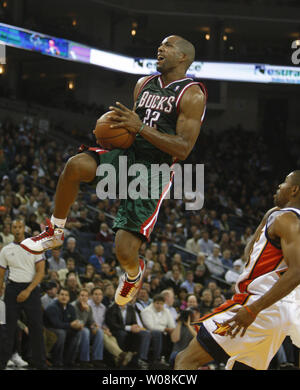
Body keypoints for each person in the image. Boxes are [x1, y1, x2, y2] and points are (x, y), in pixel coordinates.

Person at [20, 35, 207, 306]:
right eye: (160, 43)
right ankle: (55, 231)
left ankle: (134, 273)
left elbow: (183, 148)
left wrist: (139, 127)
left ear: (183, 57)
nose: (160, 47)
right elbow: (129, 128)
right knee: (75, 165)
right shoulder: (143, 84)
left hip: (153, 172)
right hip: (128, 155)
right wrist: (113, 131)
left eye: (168, 46)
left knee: (124, 252)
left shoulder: (192, 94)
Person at [174, 171, 300, 370]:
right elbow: (249, 252)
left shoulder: (289, 221)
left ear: (294, 189)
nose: (278, 187)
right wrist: (264, 223)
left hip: (260, 305)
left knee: (185, 360)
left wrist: (253, 309)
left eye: (284, 183)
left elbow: (297, 272)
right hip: (278, 311)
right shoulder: (279, 216)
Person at [0, 219, 47, 370]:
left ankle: (40, 365)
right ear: (11, 229)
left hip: (31, 289)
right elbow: (1, 275)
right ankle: (2, 363)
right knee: (8, 328)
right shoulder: (5, 250)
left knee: (36, 328)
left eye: (20, 227)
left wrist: (28, 290)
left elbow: (41, 272)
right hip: (12, 289)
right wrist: (1, 288)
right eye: (14, 227)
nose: (18, 229)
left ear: (24, 228)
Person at [88, 287, 134, 368]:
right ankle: (121, 354)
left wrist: (106, 329)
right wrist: (102, 329)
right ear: (91, 296)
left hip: (101, 330)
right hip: (91, 329)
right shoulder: (88, 305)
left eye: (100, 294)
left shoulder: (103, 307)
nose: (98, 296)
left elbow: (104, 323)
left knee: (112, 338)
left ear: (102, 296)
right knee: (103, 335)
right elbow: (89, 321)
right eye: (95, 294)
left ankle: (118, 360)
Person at [105, 302, 152, 369]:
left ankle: (140, 359)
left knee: (144, 334)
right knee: (122, 334)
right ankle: (121, 358)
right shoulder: (112, 308)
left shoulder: (130, 308)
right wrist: (129, 328)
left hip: (130, 330)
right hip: (117, 331)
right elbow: (112, 325)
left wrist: (135, 327)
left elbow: (134, 322)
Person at [44, 287, 82, 368]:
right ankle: (57, 360)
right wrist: (71, 325)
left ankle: (69, 361)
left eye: (66, 295)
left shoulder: (71, 307)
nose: (64, 297)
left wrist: (78, 326)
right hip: (48, 330)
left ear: (69, 298)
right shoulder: (52, 307)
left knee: (78, 333)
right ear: (57, 296)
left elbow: (74, 321)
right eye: (62, 294)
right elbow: (56, 324)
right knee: (61, 333)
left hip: (63, 328)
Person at [72, 288, 106, 368]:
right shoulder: (73, 306)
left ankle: (96, 359)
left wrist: (95, 327)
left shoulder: (88, 307)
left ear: (88, 298)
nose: (84, 298)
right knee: (86, 331)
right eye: (82, 295)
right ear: (78, 297)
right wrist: (84, 311)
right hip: (74, 330)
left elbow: (91, 322)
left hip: (83, 329)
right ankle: (84, 360)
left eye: (86, 296)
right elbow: (78, 323)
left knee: (99, 331)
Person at [140, 294, 176, 363]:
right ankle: (157, 358)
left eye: (161, 304)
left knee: (174, 334)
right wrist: (165, 329)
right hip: (149, 332)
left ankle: (169, 359)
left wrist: (171, 330)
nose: (159, 305)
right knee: (157, 333)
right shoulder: (146, 311)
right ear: (153, 303)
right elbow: (151, 326)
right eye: (157, 303)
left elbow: (172, 325)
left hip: (164, 331)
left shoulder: (166, 311)